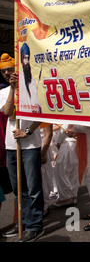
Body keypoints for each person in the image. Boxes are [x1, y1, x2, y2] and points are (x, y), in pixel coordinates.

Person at [0, 53, 46, 242]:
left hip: (30, 145)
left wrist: (27, 131)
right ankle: (23, 222)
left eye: (10, 69)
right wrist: (12, 88)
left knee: (33, 188)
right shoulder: (3, 92)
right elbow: (8, 112)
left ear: (17, 69)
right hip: (12, 146)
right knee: (19, 189)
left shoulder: (33, 86)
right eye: (3, 71)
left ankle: (35, 226)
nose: (7, 73)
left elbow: (42, 114)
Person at [52, 124, 79, 207]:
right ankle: (73, 195)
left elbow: (65, 127)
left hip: (66, 143)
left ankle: (66, 198)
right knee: (72, 172)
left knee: (61, 172)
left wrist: (59, 142)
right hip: (73, 143)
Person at [18, 43, 41, 113]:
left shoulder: (31, 76)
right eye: (25, 58)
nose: (27, 61)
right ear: (21, 59)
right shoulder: (18, 78)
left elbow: (36, 94)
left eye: (28, 58)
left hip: (34, 116)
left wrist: (37, 105)